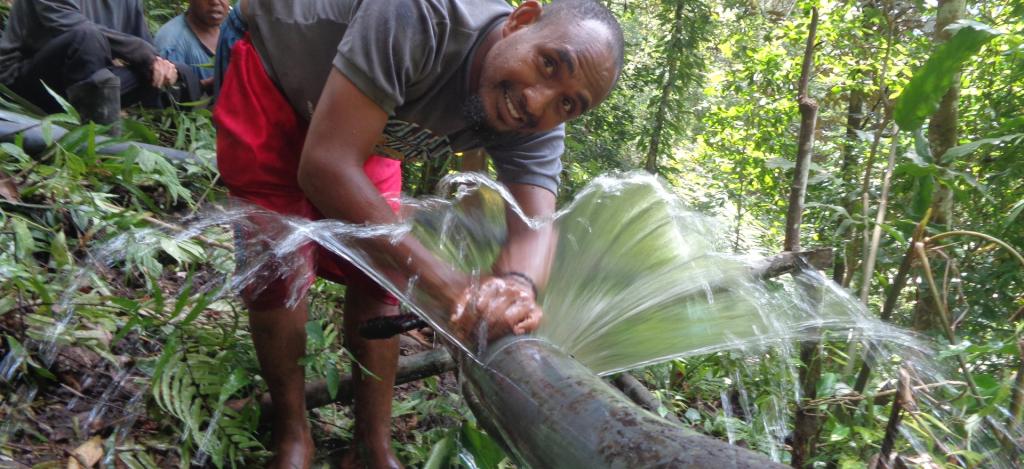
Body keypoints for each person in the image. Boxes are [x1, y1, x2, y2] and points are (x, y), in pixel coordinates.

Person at [212, 0, 623, 467]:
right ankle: (293, 434)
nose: (537, 101)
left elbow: (535, 227)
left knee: (383, 273)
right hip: (273, 69)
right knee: (277, 267)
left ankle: (371, 445)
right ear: (520, 22)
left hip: (368, 114)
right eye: (548, 64)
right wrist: (449, 285)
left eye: (568, 103)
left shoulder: (540, 120)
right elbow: (326, 167)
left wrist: (517, 288)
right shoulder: (421, 14)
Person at [0, 0, 197, 124]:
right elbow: (72, 29)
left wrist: (161, 67)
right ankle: (98, 129)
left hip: (91, 78)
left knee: (181, 73)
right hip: (25, 79)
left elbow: (145, 54)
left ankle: (154, 121)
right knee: (86, 37)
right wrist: (140, 53)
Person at [154, 0, 228, 93]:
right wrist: (203, 87)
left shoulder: (234, 30)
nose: (215, 2)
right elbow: (167, 99)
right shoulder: (172, 43)